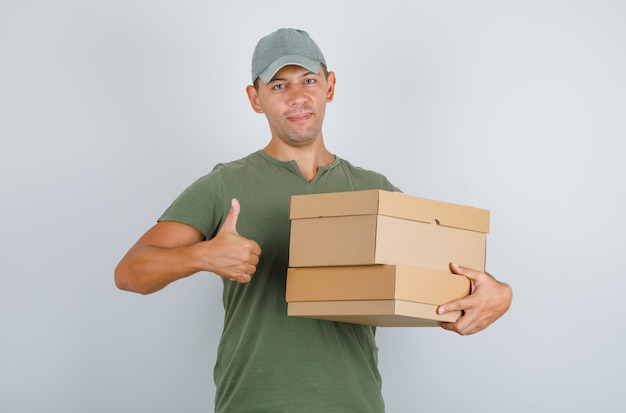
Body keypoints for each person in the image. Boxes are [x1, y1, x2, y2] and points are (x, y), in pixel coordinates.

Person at [115, 28, 512, 413]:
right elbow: (129, 273)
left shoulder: (375, 191)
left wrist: (499, 294)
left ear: (331, 86)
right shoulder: (226, 184)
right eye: (278, 86)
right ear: (255, 99)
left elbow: (440, 285)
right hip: (254, 405)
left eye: (308, 80)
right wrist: (202, 256)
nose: (298, 97)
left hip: (353, 405)